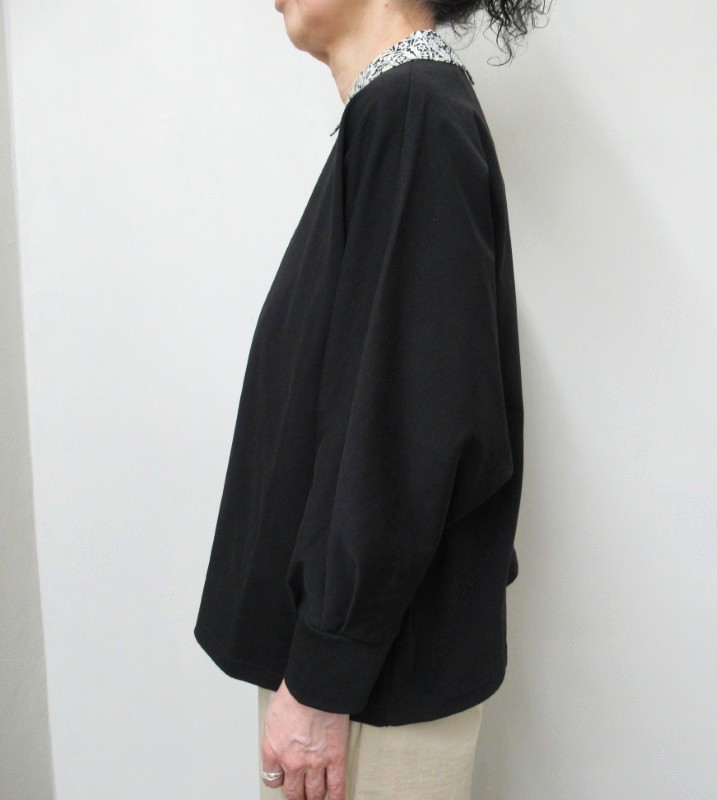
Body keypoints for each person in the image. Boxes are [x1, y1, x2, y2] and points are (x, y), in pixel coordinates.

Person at [193, 0, 548, 797]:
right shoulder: (401, 115)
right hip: (353, 683)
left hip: (362, 697)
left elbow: (408, 432)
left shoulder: (413, 114)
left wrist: (325, 678)